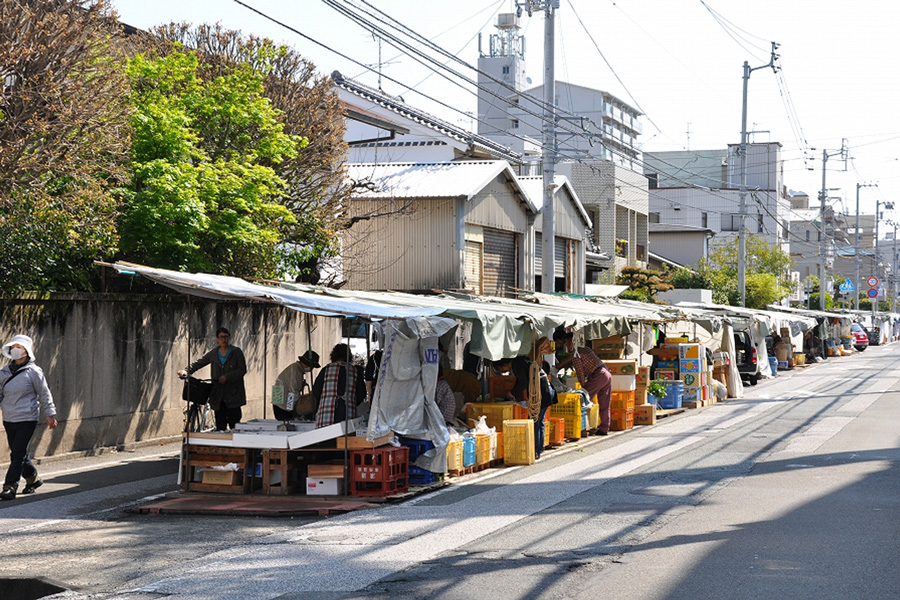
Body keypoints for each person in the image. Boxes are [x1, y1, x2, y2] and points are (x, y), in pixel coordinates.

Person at [1, 334, 58, 501]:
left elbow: (44, 393)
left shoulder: (34, 372)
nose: (15, 350)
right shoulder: (4, 373)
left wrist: (50, 414)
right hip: (9, 417)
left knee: (17, 453)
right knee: (19, 452)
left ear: (26, 351)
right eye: (13, 347)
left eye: (18, 347)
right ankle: (33, 479)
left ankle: (10, 486)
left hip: (27, 417)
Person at [178, 327, 247, 431]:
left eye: (226, 337)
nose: (223, 339)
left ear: (229, 338)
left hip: (233, 395)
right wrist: (186, 371)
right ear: (217, 339)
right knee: (220, 424)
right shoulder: (214, 353)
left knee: (235, 424)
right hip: (218, 395)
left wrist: (227, 377)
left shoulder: (236, 352)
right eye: (221, 337)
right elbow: (199, 363)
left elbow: (242, 370)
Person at [492, 354, 556, 459]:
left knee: (535, 421)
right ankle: (538, 450)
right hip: (547, 390)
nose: (503, 371)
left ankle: (535, 451)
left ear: (506, 363)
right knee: (539, 422)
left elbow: (523, 382)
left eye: (501, 368)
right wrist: (512, 392)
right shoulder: (521, 362)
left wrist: (512, 392)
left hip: (542, 392)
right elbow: (522, 380)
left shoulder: (517, 364)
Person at [553, 327, 612, 436]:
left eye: (567, 343)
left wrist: (584, 387)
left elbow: (580, 373)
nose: (567, 346)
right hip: (606, 373)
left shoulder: (576, 354)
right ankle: (604, 428)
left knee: (581, 399)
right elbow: (572, 362)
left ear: (572, 342)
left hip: (598, 376)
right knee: (604, 403)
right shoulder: (584, 349)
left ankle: (580, 427)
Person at [312, 343, 366, 427]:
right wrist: (351, 401)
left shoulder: (326, 370)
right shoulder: (355, 371)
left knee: (327, 438)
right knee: (344, 439)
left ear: (333, 355)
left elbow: (316, 391)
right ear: (349, 356)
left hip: (326, 415)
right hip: (347, 414)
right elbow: (361, 394)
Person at [272, 350, 320, 421]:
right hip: (282, 405)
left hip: (278, 400)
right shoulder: (296, 371)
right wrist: (297, 406)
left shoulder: (294, 368)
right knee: (287, 423)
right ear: (307, 364)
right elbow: (293, 391)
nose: (311, 369)